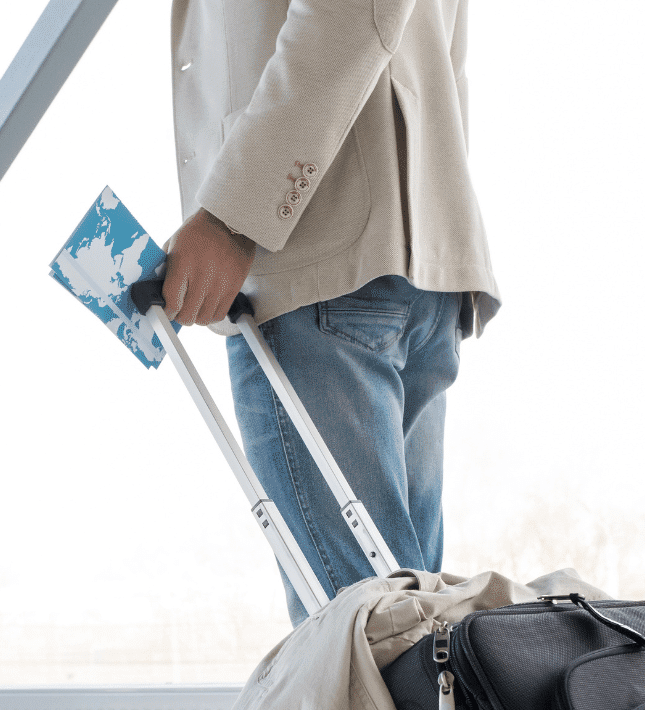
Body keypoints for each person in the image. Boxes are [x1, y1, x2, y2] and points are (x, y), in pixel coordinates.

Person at [162, 0, 500, 625]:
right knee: (411, 637)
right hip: (410, 257)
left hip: (320, 264)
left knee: (363, 644)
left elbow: (351, 11)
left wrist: (235, 214)